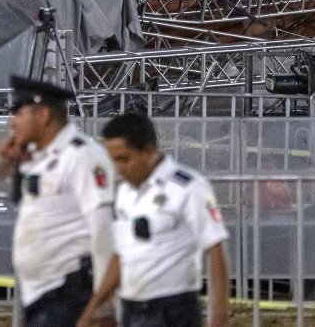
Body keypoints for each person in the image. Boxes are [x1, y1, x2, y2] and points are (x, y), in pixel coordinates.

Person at [0, 76, 115, 327]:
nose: (12, 122)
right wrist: (0, 155)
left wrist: (103, 306)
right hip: (40, 294)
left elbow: (103, 230)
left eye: (18, 113)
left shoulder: (82, 156)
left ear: (42, 115)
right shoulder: (37, 157)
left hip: (69, 294)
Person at [77, 113, 231, 327]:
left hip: (173, 311)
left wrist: (219, 317)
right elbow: (121, 255)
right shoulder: (124, 194)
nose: (118, 168)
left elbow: (216, 249)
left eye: (124, 159)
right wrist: (94, 308)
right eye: (112, 161)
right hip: (131, 308)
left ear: (148, 150)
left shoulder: (188, 187)